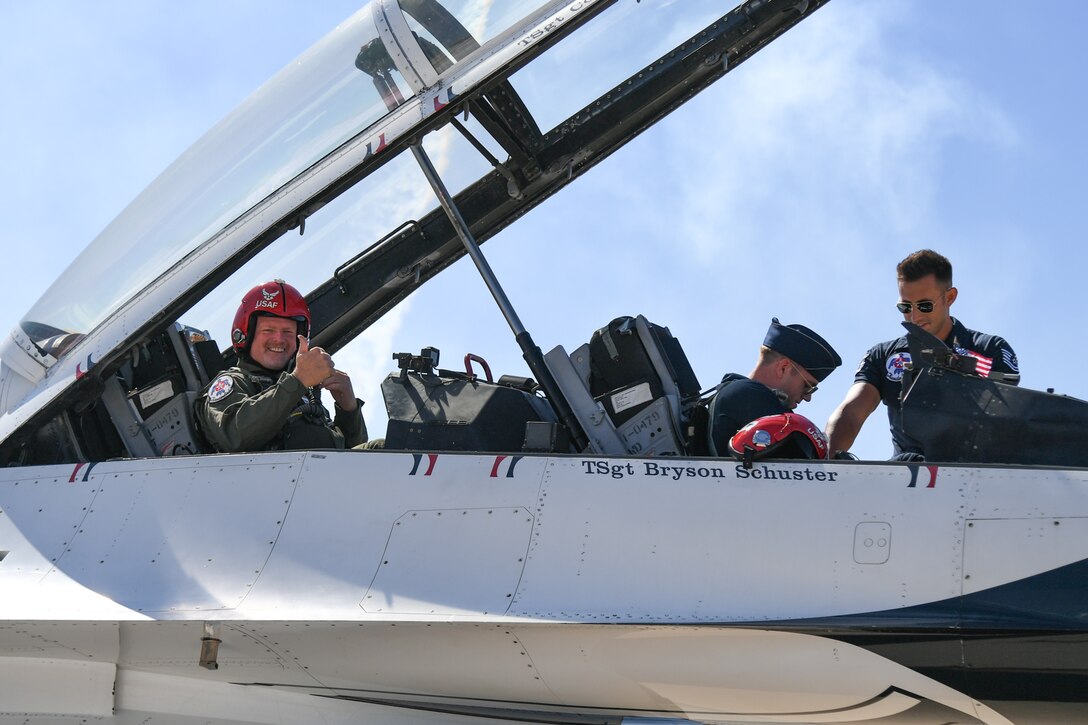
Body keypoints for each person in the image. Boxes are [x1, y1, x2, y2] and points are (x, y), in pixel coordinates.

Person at [825, 249, 1019, 458]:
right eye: (905, 307)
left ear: (950, 297)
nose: (915, 316)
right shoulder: (882, 356)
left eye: (925, 306)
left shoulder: (990, 349)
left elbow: (1002, 418)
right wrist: (825, 463)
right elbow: (851, 413)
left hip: (974, 475)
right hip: (906, 479)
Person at [195, 279, 368, 452]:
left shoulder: (302, 395)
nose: (279, 339)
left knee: (386, 446)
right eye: (268, 330)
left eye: (288, 332)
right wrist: (297, 381)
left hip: (319, 476)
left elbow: (347, 454)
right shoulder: (232, 383)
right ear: (245, 335)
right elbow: (235, 436)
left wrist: (349, 410)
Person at [707, 318, 841, 456]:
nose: (808, 397)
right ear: (783, 368)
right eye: (807, 386)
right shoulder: (750, 395)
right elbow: (806, 465)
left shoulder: (736, 393)